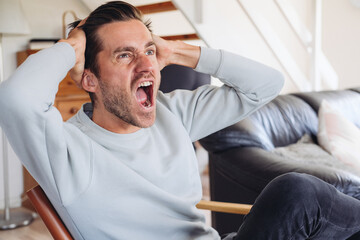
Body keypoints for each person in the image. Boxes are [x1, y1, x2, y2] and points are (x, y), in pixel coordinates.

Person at [0, 1, 359, 239]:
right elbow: (15, 98)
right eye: (124, 55)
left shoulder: (173, 114)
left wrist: (172, 50)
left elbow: (265, 85)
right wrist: (76, 41)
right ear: (89, 79)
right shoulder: (64, 149)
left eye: (149, 52)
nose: (146, 66)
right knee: (297, 191)